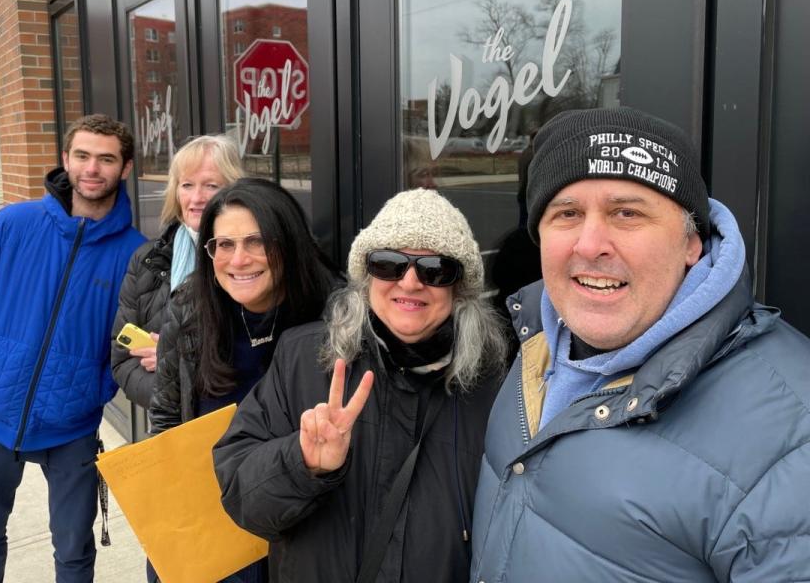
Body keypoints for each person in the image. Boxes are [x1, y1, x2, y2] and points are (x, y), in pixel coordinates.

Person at [469, 106, 810, 582]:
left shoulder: (791, 433)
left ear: (693, 241)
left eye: (626, 213)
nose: (590, 244)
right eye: (566, 213)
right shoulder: (534, 347)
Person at [214, 188, 509, 583]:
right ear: (366, 277)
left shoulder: (495, 388)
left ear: (460, 287)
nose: (409, 282)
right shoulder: (303, 358)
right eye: (388, 263)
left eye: (435, 269)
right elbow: (241, 498)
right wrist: (302, 463)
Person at [0, 114, 146, 583]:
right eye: (82, 156)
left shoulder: (135, 253)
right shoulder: (14, 223)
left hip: (72, 427)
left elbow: (131, 339)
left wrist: (93, 387)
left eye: (106, 158)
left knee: (75, 551)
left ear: (127, 168)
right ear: (65, 159)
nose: (92, 168)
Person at [148, 177, 340, 582]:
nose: (238, 260)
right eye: (225, 245)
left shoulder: (336, 319)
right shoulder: (189, 310)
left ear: (287, 243)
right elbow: (166, 419)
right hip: (211, 528)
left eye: (256, 242)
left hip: (301, 530)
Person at [110, 135, 244, 410]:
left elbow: (261, 357)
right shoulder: (147, 260)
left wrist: (175, 363)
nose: (197, 198)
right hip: (170, 428)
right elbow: (123, 360)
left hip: (238, 426)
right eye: (187, 185)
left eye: (211, 185)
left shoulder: (251, 261)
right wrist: (171, 393)